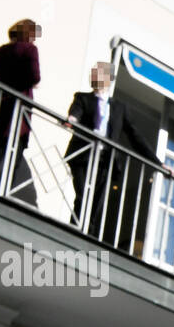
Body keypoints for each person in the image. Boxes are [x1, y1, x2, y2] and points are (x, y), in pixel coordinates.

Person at [66, 61, 167, 241]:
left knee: (95, 204)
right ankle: (74, 233)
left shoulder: (119, 108)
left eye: (101, 75)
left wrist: (158, 163)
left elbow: (135, 137)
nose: (97, 78)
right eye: (95, 74)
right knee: (82, 196)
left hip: (106, 160)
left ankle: (86, 237)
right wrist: (72, 119)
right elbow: (76, 113)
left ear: (109, 79)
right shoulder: (83, 98)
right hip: (83, 154)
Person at [0, 19, 40, 205]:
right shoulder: (30, 50)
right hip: (18, 110)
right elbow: (35, 76)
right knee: (14, 156)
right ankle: (1, 197)